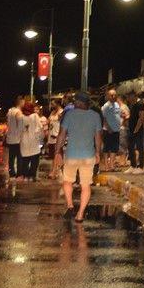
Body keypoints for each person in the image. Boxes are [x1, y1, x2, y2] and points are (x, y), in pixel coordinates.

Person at [55, 91, 101, 222]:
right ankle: (80, 214)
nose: (74, 103)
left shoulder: (69, 115)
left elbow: (62, 135)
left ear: (80, 102)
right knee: (85, 186)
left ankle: (70, 205)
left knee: (67, 181)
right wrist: (98, 152)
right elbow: (98, 136)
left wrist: (57, 152)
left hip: (71, 156)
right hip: (88, 156)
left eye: (76, 101)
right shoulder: (95, 116)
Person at [19, 101, 42, 182]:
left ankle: (25, 175)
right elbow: (39, 127)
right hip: (33, 141)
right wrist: (37, 136)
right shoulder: (35, 116)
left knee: (25, 160)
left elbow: (19, 129)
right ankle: (32, 175)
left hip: (24, 141)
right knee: (34, 160)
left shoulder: (21, 117)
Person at [101, 89, 122, 171]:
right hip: (108, 130)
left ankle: (112, 165)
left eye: (115, 95)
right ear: (108, 96)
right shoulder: (106, 106)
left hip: (116, 130)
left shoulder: (117, 105)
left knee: (114, 148)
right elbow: (103, 118)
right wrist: (108, 128)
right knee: (106, 149)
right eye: (112, 95)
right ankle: (106, 166)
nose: (113, 97)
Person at [125, 92, 144, 174]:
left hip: (138, 130)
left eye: (129, 97)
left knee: (140, 148)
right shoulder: (132, 105)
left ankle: (141, 167)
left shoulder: (140, 104)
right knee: (130, 147)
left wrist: (136, 129)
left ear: (133, 96)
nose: (128, 99)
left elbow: (141, 118)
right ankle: (133, 166)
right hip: (131, 130)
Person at [5, 96, 24, 178]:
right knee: (19, 156)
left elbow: (7, 122)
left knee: (11, 157)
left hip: (10, 137)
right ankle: (19, 173)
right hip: (17, 138)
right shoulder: (18, 112)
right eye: (23, 102)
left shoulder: (10, 111)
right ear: (20, 102)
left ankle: (11, 172)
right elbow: (20, 125)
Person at [47, 99, 63, 179]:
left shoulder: (61, 112)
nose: (52, 106)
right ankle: (55, 171)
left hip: (57, 136)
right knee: (53, 155)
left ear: (57, 104)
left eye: (53, 104)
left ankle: (55, 171)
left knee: (57, 155)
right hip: (51, 136)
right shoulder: (52, 112)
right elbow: (48, 122)